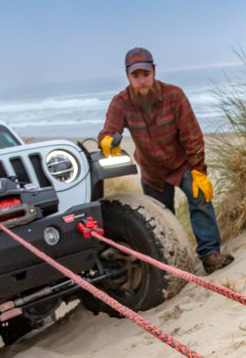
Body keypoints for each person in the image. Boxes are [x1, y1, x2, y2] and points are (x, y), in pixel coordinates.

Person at [99, 47, 234, 275]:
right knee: (161, 220)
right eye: (136, 76)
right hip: (152, 172)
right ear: (128, 76)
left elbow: (192, 135)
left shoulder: (174, 95)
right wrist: (107, 141)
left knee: (199, 198)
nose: (142, 81)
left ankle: (210, 255)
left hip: (182, 164)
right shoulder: (121, 102)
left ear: (153, 71)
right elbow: (109, 131)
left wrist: (199, 170)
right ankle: (173, 266)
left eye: (145, 74)